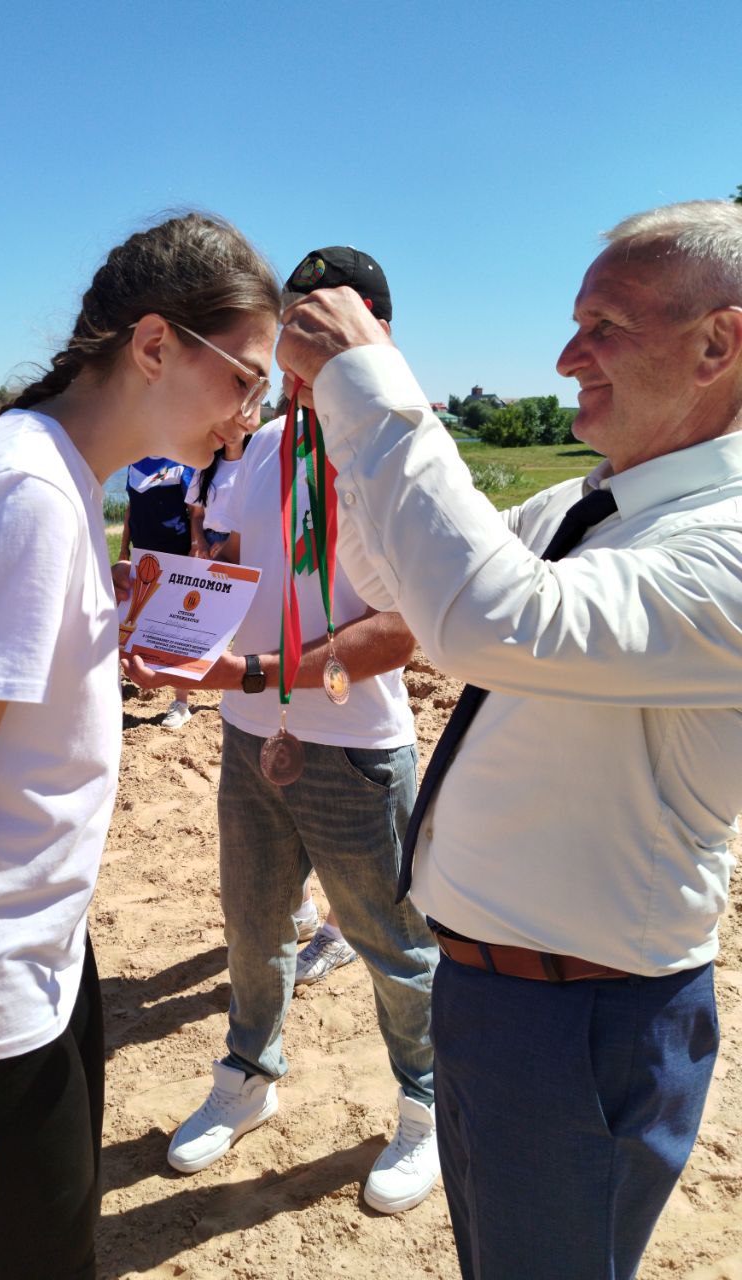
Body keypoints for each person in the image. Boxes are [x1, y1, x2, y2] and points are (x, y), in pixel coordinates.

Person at [277, 200, 742, 1279]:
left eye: (603, 327)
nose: (569, 357)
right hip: (506, 993)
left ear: (718, 343)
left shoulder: (724, 543)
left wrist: (369, 383)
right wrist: (341, 425)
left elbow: (492, 621)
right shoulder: (596, 505)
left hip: (584, 1017)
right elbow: (406, 584)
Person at [0, 211, 280, 1280]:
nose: (249, 418)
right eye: (244, 380)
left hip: (24, 948)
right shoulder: (25, 495)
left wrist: (99, 619)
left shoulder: (39, 472)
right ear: (154, 345)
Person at [125, 247, 440, 1215]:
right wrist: (170, 615)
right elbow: (225, 567)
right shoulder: (260, 447)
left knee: (395, 945)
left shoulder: (398, 453)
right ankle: (249, 1073)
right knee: (254, 925)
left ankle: (429, 1100)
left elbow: (407, 629)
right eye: (290, 334)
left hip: (356, 745)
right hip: (247, 735)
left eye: (317, 333)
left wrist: (257, 669)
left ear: (375, 333)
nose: (293, 360)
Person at [120, 456, 196, 727]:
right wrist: (123, 549)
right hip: (142, 557)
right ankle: (126, 681)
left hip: (177, 554)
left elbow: (195, 510)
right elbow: (131, 510)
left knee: (177, 628)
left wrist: (195, 545)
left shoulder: (181, 461)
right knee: (132, 624)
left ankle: (181, 703)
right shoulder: (134, 462)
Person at [186, 428, 252, 560]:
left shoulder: (254, 466)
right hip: (207, 545)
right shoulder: (206, 467)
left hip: (242, 546)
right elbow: (196, 514)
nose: (230, 429)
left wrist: (230, 545)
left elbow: (258, 519)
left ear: (247, 428)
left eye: (236, 424)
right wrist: (198, 542)